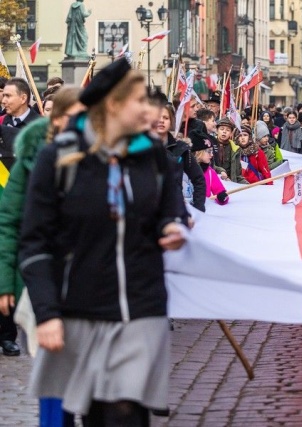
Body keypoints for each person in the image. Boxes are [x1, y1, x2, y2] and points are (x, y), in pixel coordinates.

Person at [19, 58, 187, 426]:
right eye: (140, 101)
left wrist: (173, 227)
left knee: (126, 409)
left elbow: (169, 209)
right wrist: (47, 313)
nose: (151, 110)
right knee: (95, 411)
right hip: (82, 309)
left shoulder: (153, 154)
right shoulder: (58, 158)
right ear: (112, 105)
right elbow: (34, 242)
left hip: (141, 307)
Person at [0, 86, 83, 425]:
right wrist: (6, 280)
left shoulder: (98, 157)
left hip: (87, 277)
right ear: (59, 118)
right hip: (41, 276)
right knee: (52, 364)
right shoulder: (32, 159)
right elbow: (10, 223)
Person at [152, 102, 206, 212]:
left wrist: (198, 208)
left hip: (173, 210)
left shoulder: (181, 149)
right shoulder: (138, 148)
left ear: (171, 121)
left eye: (165, 118)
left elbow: (199, 179)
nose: (161, 121)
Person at [188, 130, 228, 204]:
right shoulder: (184, 170)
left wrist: (222, 197)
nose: (212, 155)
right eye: (209, 151)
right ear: (198, 152)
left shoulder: (210, 172)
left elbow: (221, 192)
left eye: (212, 151)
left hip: (204, 212)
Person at [213, 117, 249, 184]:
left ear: (231, 133)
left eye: (227, 130)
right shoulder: (210, 145)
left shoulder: (235, 149)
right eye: (222, 129)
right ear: (217, 130)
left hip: (230, 185)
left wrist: (247, 185)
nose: (224, 131)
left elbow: (238, 176)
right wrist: (220, 171)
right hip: (214, 183)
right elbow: (208, 166)